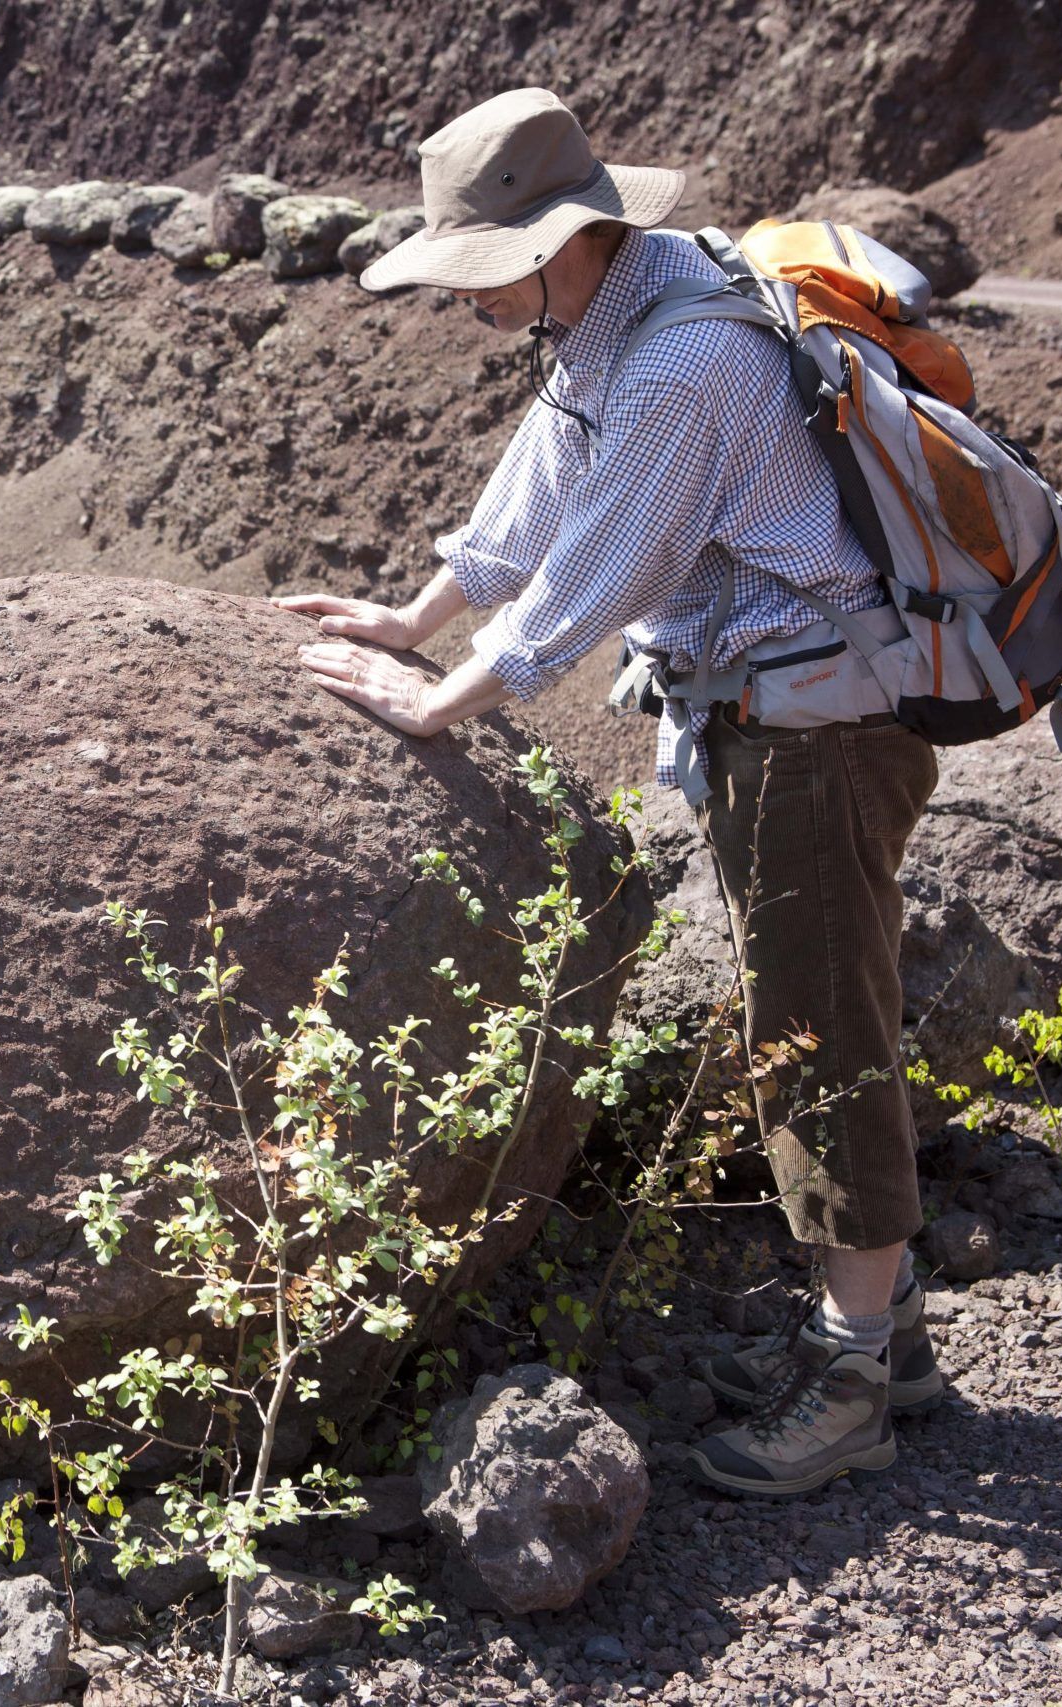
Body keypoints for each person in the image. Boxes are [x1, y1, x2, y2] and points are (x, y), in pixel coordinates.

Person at [274, 86, 946, 1497]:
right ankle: (882, 1338)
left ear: (550, 241)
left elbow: (606, 566)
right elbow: (537, 498)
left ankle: (852, 1381)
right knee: (818, 1007)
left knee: (818, 1032)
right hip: (782, 716)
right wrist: (410, 621)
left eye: (472, 264)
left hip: (815, 730)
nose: (460, 293)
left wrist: (454, 694)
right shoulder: (630, 308)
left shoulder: (675, 366)